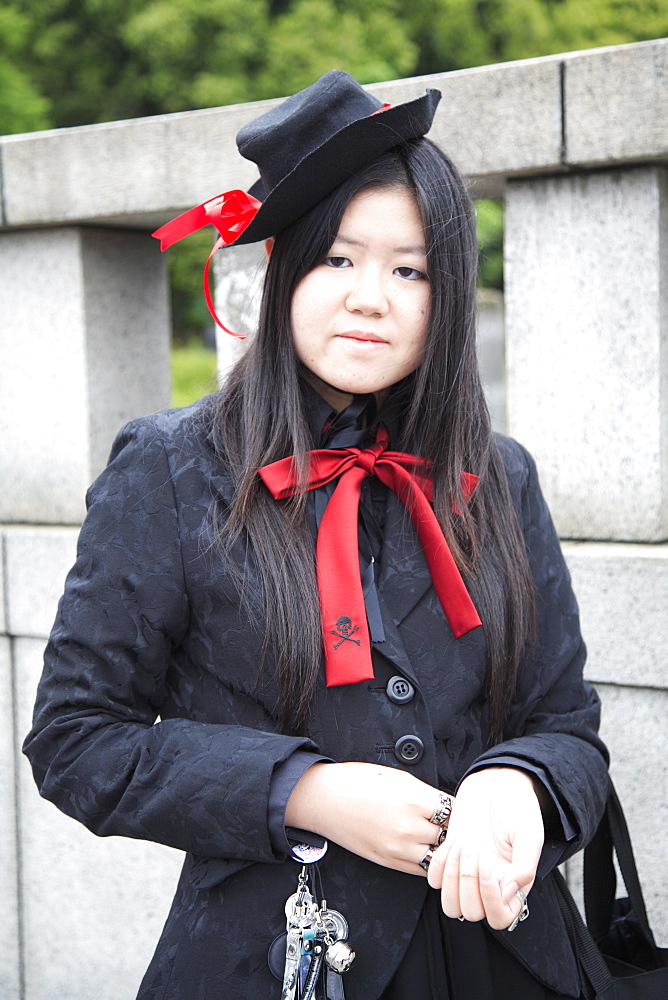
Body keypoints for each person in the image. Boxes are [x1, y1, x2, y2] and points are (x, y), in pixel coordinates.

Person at [23, 71, 609, 1000]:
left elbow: (564, 720)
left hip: (505, 954)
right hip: (282, 955)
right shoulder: (173, 468)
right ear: (286, 269)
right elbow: (76, 738)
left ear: (447, 294)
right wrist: (306, 792)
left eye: (409, 269)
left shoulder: (498, 473)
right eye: (339, 259)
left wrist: (521, 784)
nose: (370, 297)